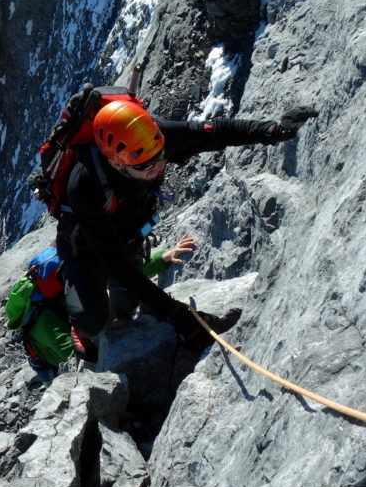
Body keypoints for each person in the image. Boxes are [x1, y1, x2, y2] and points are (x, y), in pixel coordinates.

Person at [55, 99, 318, 360]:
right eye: (147, 165)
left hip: (127, 233)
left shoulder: (154, 140)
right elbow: (115, 263)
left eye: (161, 158)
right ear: (116, 163)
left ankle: (121, 319)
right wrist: (174, 313)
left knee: (127, 300)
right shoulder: (84, 185)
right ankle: (79, 328)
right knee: (91, 319)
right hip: (85, 247)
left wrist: (271, 132)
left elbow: (216, 131)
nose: (158, 167)